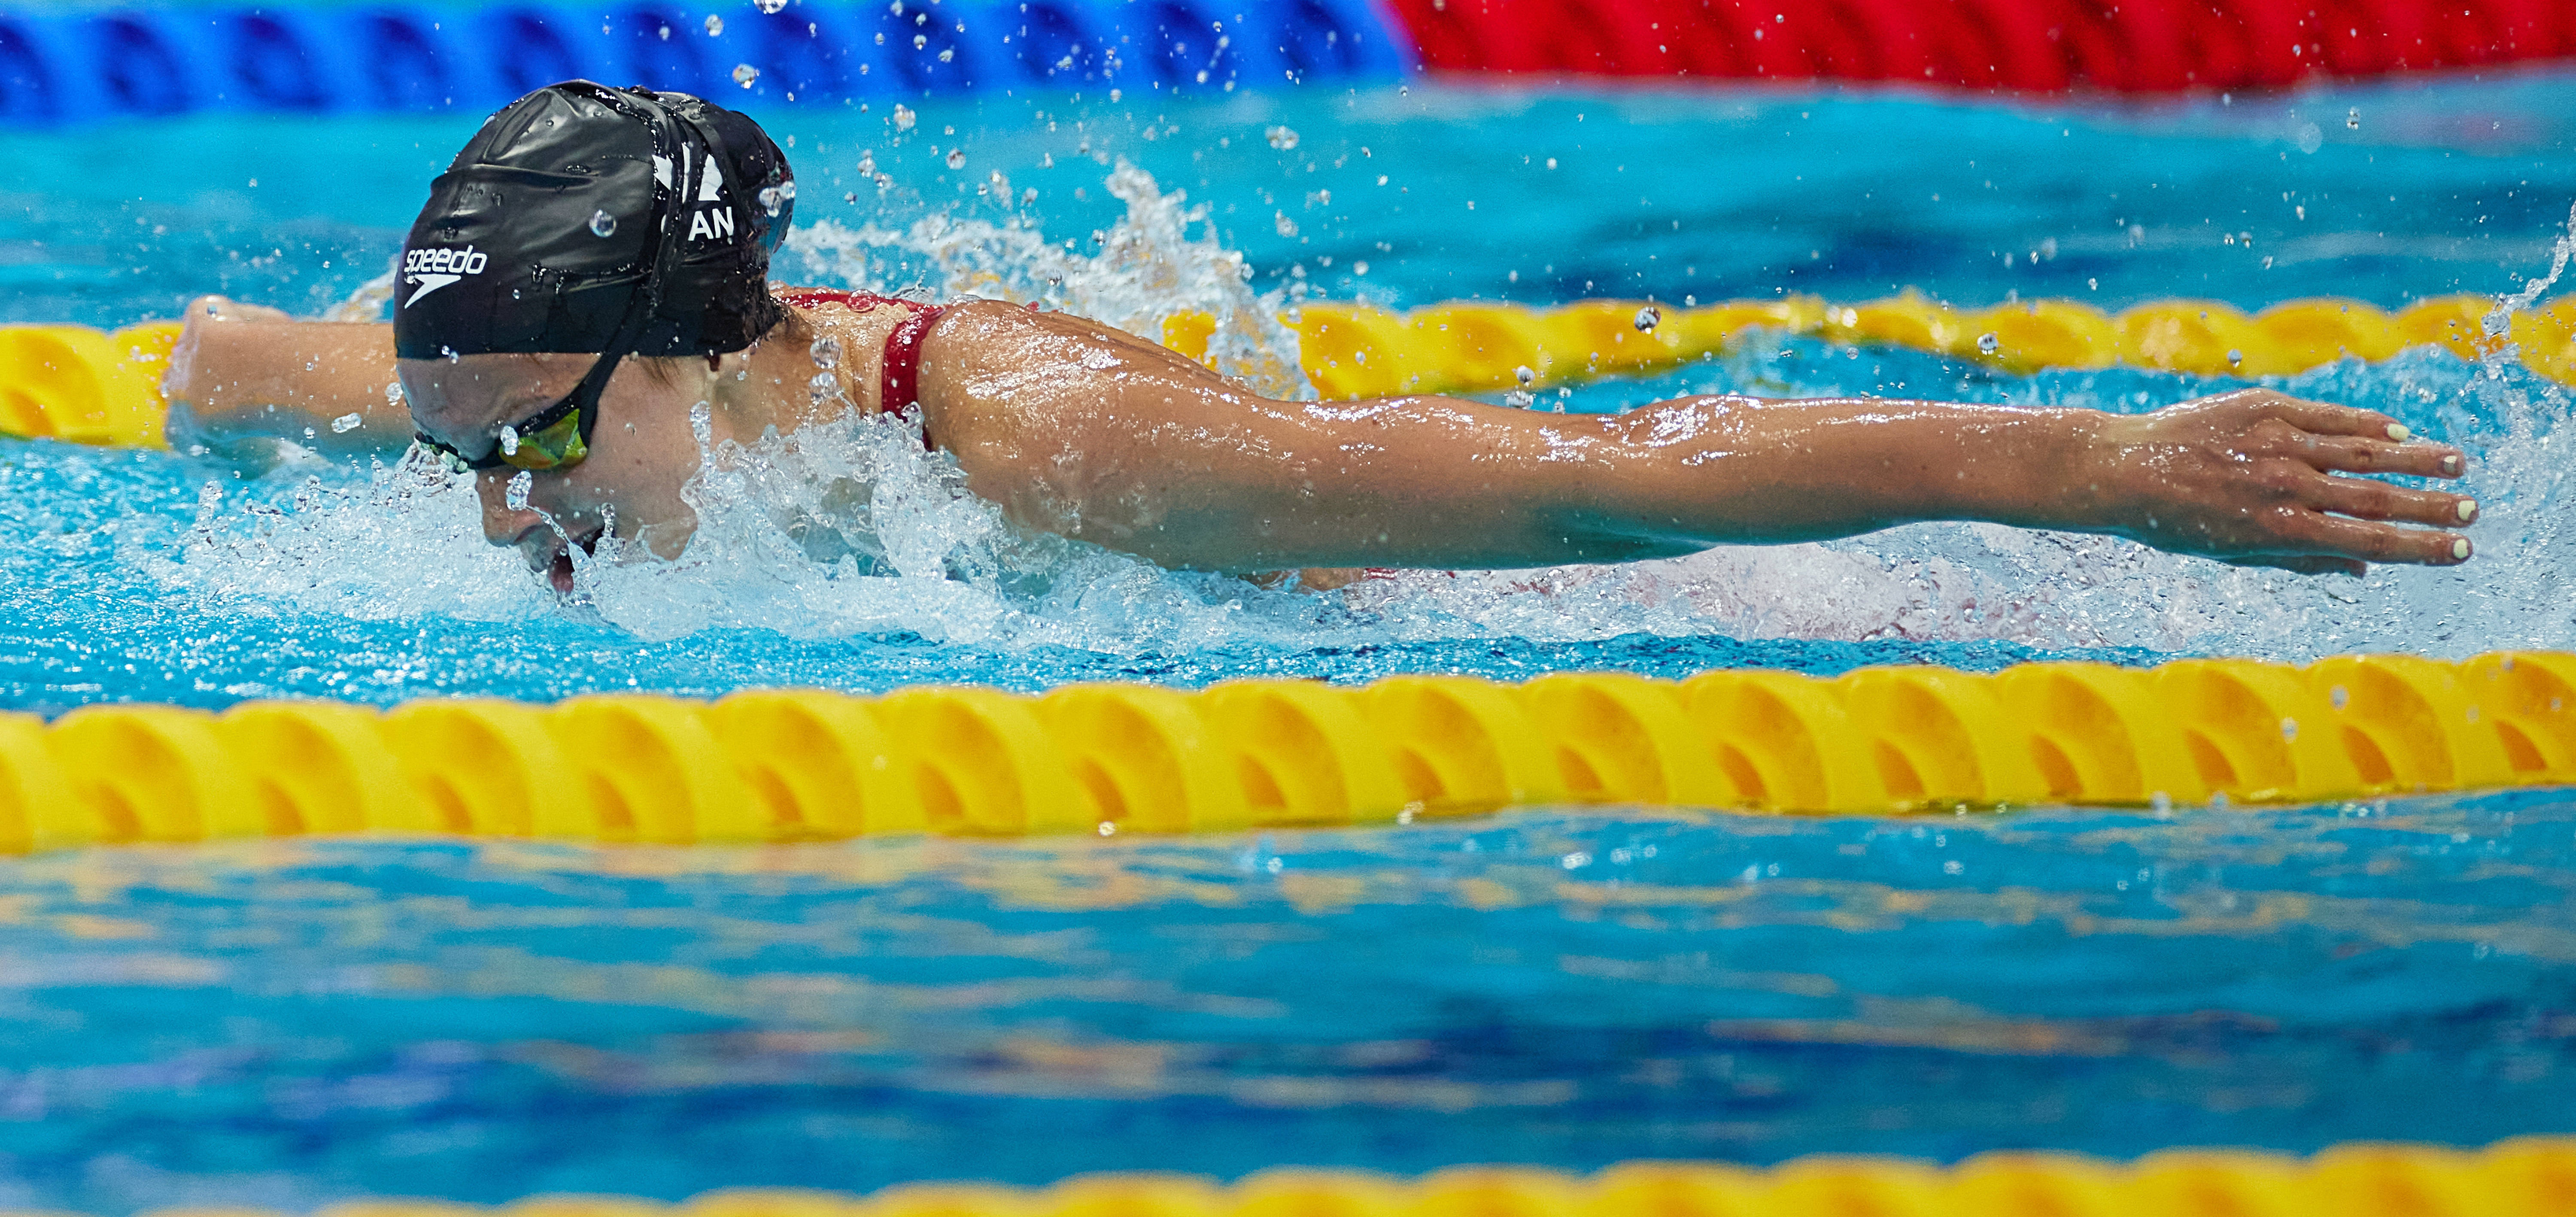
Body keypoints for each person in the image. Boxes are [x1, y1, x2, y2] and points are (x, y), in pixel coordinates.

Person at [164, 80, 2478, 599]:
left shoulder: (1040, 444)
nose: (494, 501)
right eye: (455, 442)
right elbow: (220, 362)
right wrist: (278, 393)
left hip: (1713, 591)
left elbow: (1604, 467)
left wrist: (2083, 466)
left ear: (684, 355)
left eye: (526, 445)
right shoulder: (520, 372)